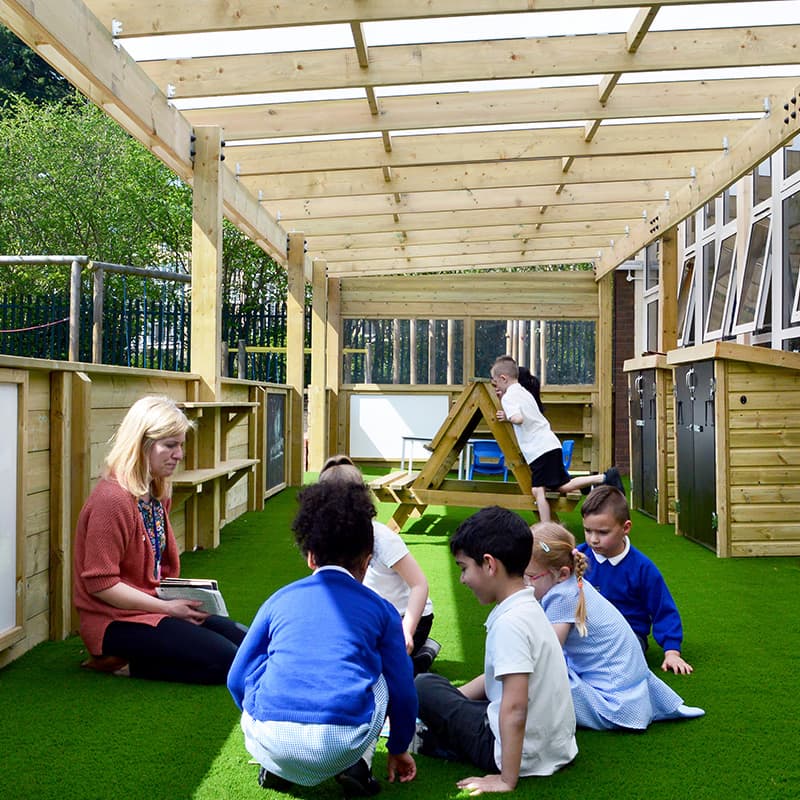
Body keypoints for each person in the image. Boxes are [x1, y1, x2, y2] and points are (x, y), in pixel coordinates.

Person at [227, 481, 418, 796]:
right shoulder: (382, 610)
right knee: (381, 677)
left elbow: (237, 677)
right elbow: (404, 691)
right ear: (367, 560)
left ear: (310, 557)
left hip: (269, 737)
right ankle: (361, 763)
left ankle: (274, 764)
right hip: (340, 741)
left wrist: (261, 717)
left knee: (265, 664)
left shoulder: (278, 599)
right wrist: (398, 747)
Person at [73, 395, 247, 683]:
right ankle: (120, 664)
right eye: (170, 445)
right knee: (226, 661)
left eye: (180, 444)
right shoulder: (112, 500)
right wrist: (167, 608)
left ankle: (151, 649)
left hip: (151, 606)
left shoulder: (156, 492)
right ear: (141, 445)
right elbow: (101, 584)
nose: (179, 454)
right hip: (114, 621)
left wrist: (181, 599)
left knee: (246, 644)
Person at [415, 506, 577, 794]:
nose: (463, 579)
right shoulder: (530, 607)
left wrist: (506, 779)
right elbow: (504, 688)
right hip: (553, 746)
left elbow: (515, 709)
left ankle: (431, 740)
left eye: (464, 568)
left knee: (422, 685)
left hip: (517, 753)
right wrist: (453, 699)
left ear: (489, 564)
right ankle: (435, 732)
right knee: (443, 694)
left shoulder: (510, 624)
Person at [528, 522, 704, 730]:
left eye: (529, 576)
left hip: (614, 702)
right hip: (626, 687)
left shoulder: (562, 596)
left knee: (541, 681)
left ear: (562, 573)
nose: (524, 582)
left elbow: (548, 653)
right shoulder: (573, 582)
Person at [319, 454, 440, 674]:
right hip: (367, 616)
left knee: (378, 671)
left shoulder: (382, 538)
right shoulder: (329, 538)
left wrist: (407, 630)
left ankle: (422, 654)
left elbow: (419, 584)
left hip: (403, 617)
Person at [490, 355, 624, 522]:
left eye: (495, 382)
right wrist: (508, 415)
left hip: (539, 450)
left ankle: (547, 527)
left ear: (503, 378)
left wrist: (509, 416)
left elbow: (519, 418)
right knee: (562, 486)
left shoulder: (509, 397)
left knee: (538, 490)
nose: (495, 386)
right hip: (550, 444)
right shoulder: (523, 392)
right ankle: (604, 477)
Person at [578, 485, 694, 675]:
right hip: (584, 632)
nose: (593, 540)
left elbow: (663, 609)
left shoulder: (642, 568)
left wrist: (672, 652)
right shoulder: (578, 557)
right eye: (588, 531)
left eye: (603, 532)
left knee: (619, 665)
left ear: (626, 528)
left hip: (627, 636)